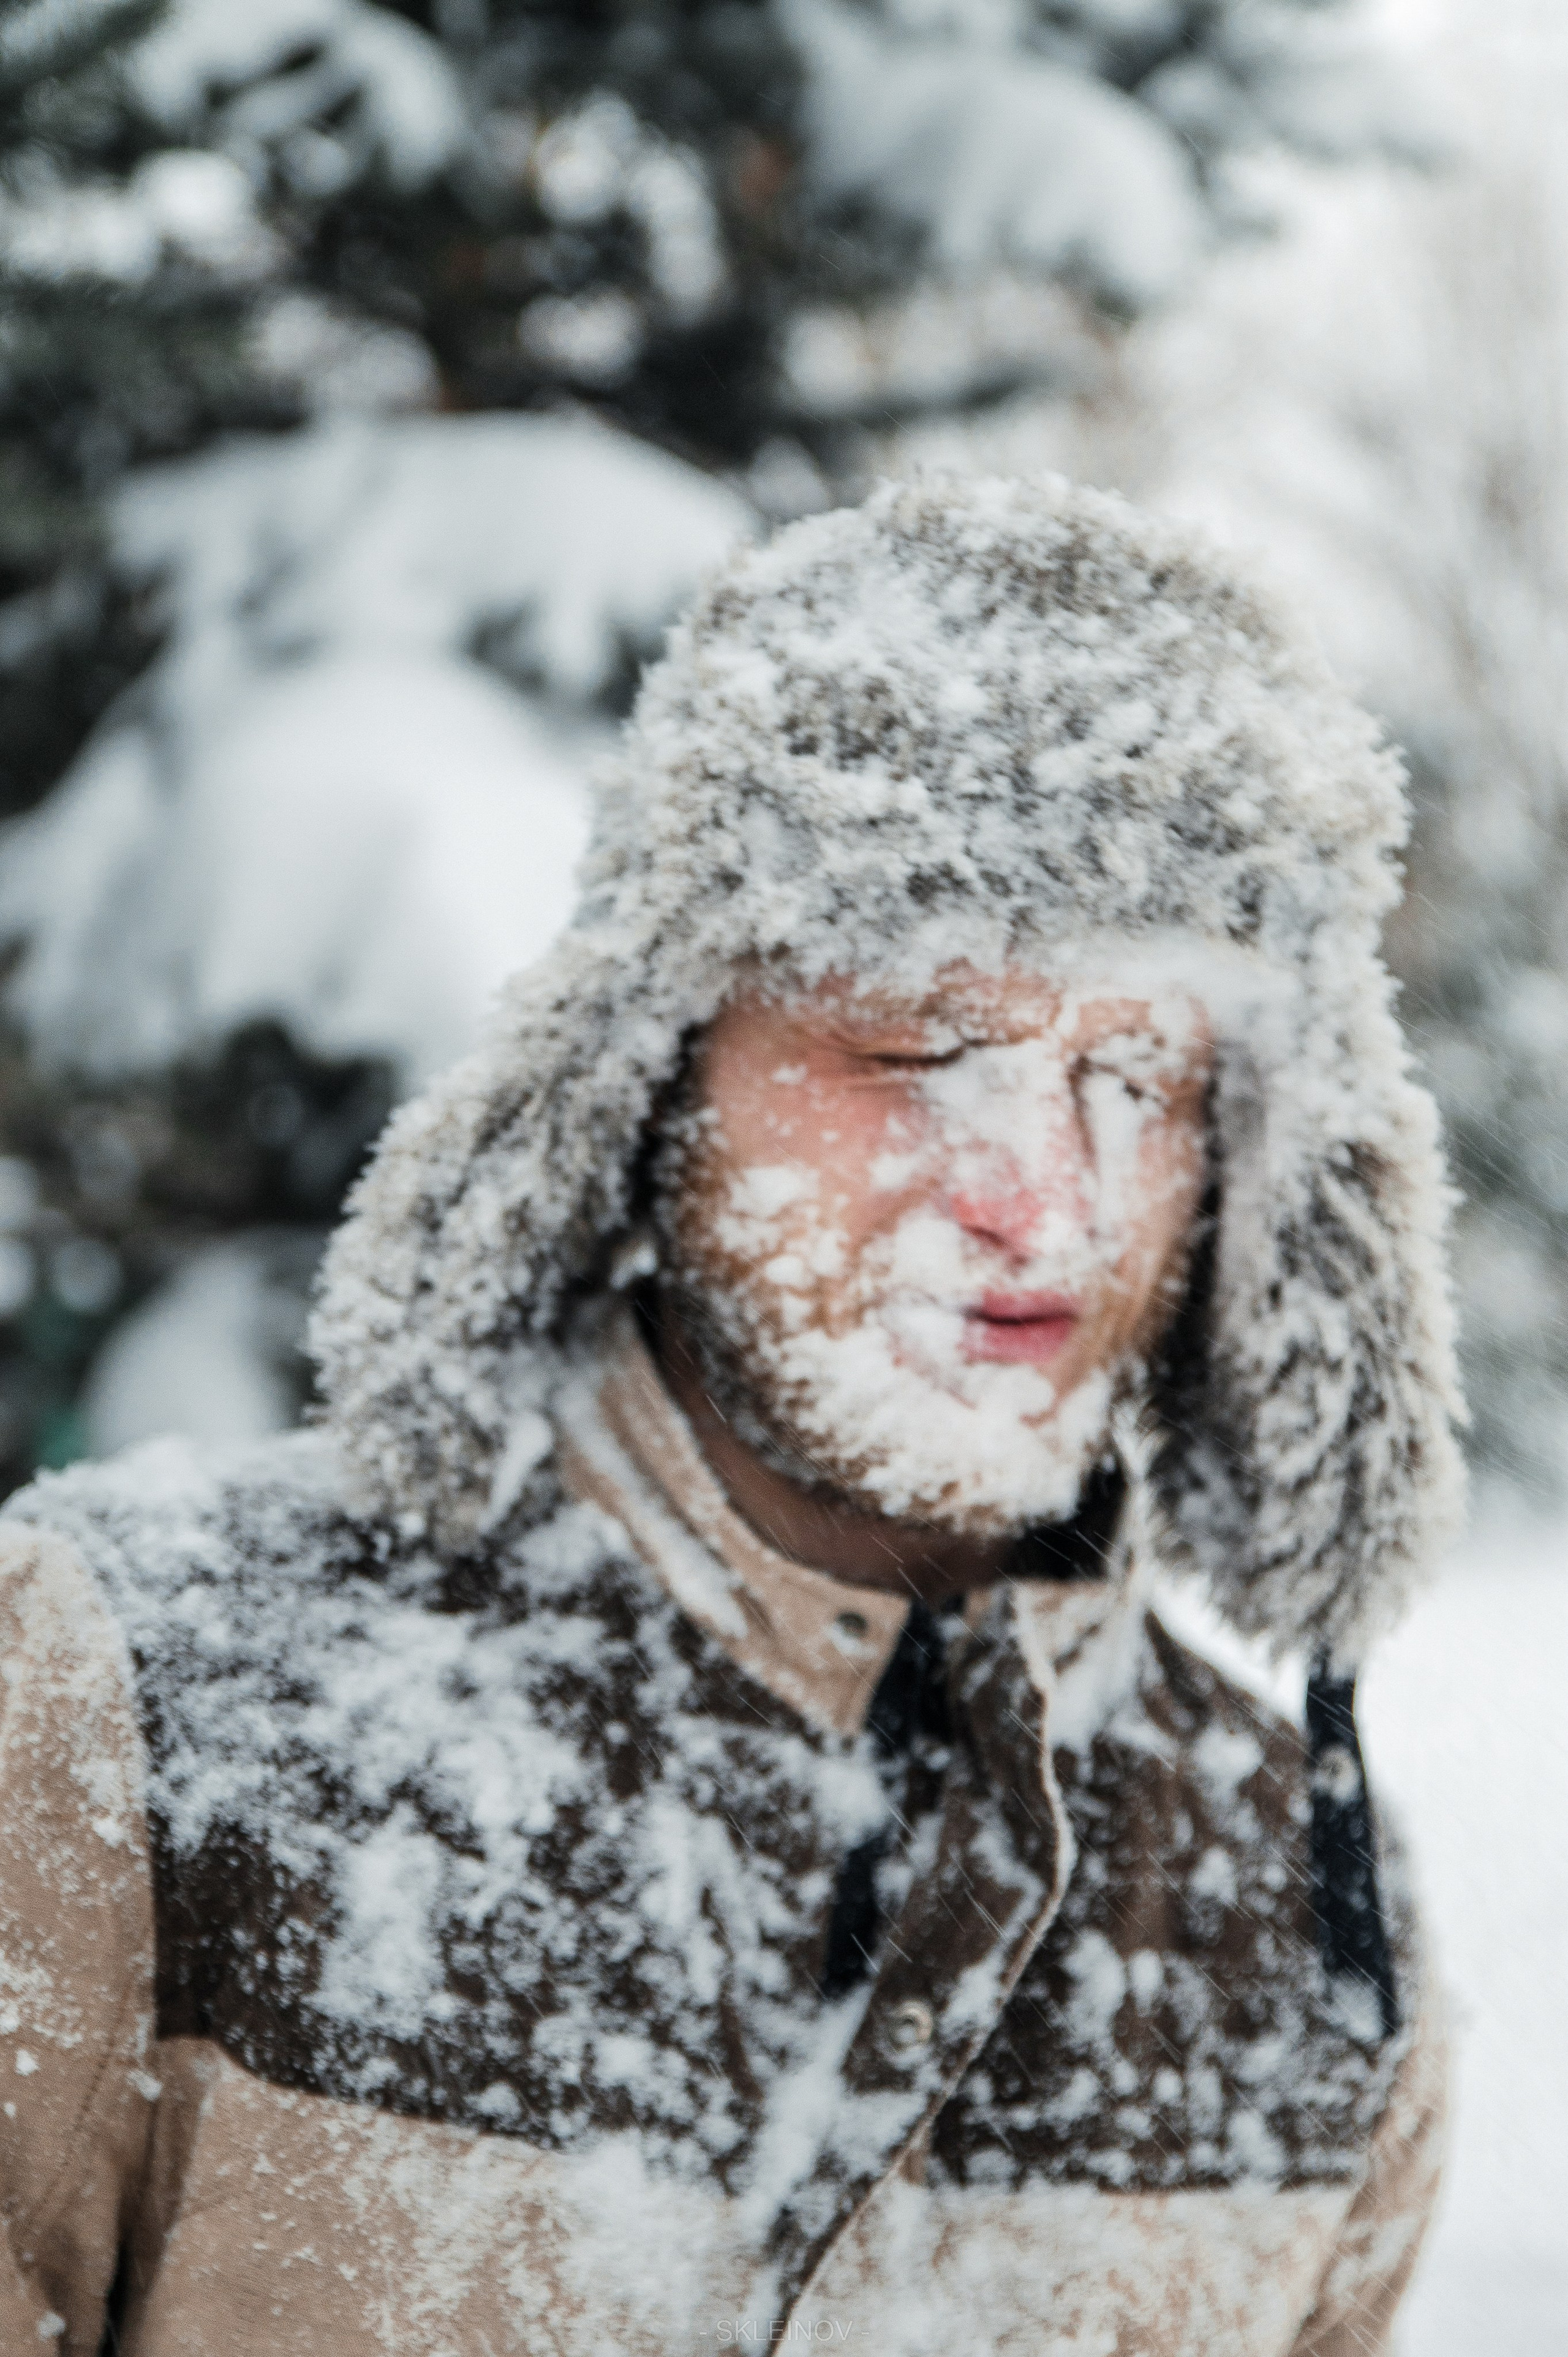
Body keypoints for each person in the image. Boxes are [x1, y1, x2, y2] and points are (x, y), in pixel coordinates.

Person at [0, 476, 1463, 2355]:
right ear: (651, 1071)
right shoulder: (123, 1713)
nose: (1046, 1198)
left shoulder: (1310, 1905)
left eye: (1138, 1076)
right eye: (916, 1048)